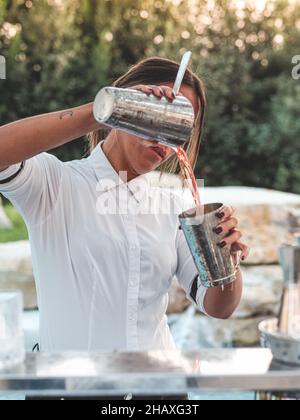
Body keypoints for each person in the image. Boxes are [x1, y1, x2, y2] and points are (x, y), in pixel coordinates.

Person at [0, 57, 249, 399]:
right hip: (70, 390)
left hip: (160, 392)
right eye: (159, 114)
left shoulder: (173, 205)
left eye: (180, 124)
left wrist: (228, 260)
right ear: (127, 105)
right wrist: (105, 106)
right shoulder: (55, 185)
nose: (165, 135)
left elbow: (220, 306)